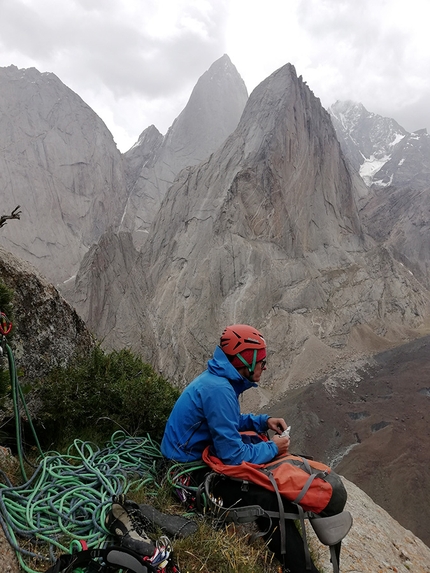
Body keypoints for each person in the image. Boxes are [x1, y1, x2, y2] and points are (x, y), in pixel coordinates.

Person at [161, 324, 344, 572]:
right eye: (262, 361)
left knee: (269, 480)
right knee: (266, 498)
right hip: (186, 471)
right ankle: (303, 569)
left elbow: (228, 422)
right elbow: (233, 457)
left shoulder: (219, 382)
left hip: (189, 458)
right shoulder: (219, 390)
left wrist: (262, 421)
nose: (265, 366)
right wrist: (273, 448)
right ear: (246, 360)